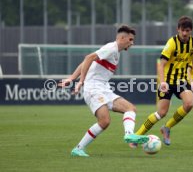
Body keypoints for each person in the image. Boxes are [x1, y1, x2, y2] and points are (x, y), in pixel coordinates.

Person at [59, 25, 149, 157]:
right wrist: (80, 81)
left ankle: (129, 135)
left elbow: (87, 61)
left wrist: (71, 78)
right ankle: (78, 149)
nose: (132, 43)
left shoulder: (115, 51)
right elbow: (88, 58)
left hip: (104, 89)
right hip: (93, 89)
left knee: (130, 109)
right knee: (105, 121)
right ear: (122, 38)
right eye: (130, 40)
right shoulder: (111, 48)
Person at [132, 16, 193, 147]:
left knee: (189, 103)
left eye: (188, 30)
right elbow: (161, 65)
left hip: (181, 81)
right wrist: (162, 83)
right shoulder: (172, 43)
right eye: (182, 30)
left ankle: (167, 128)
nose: (184, 33)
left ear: (191, 31)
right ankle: (136, 136)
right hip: (166, 81)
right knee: (161, 113)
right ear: (178, 29)